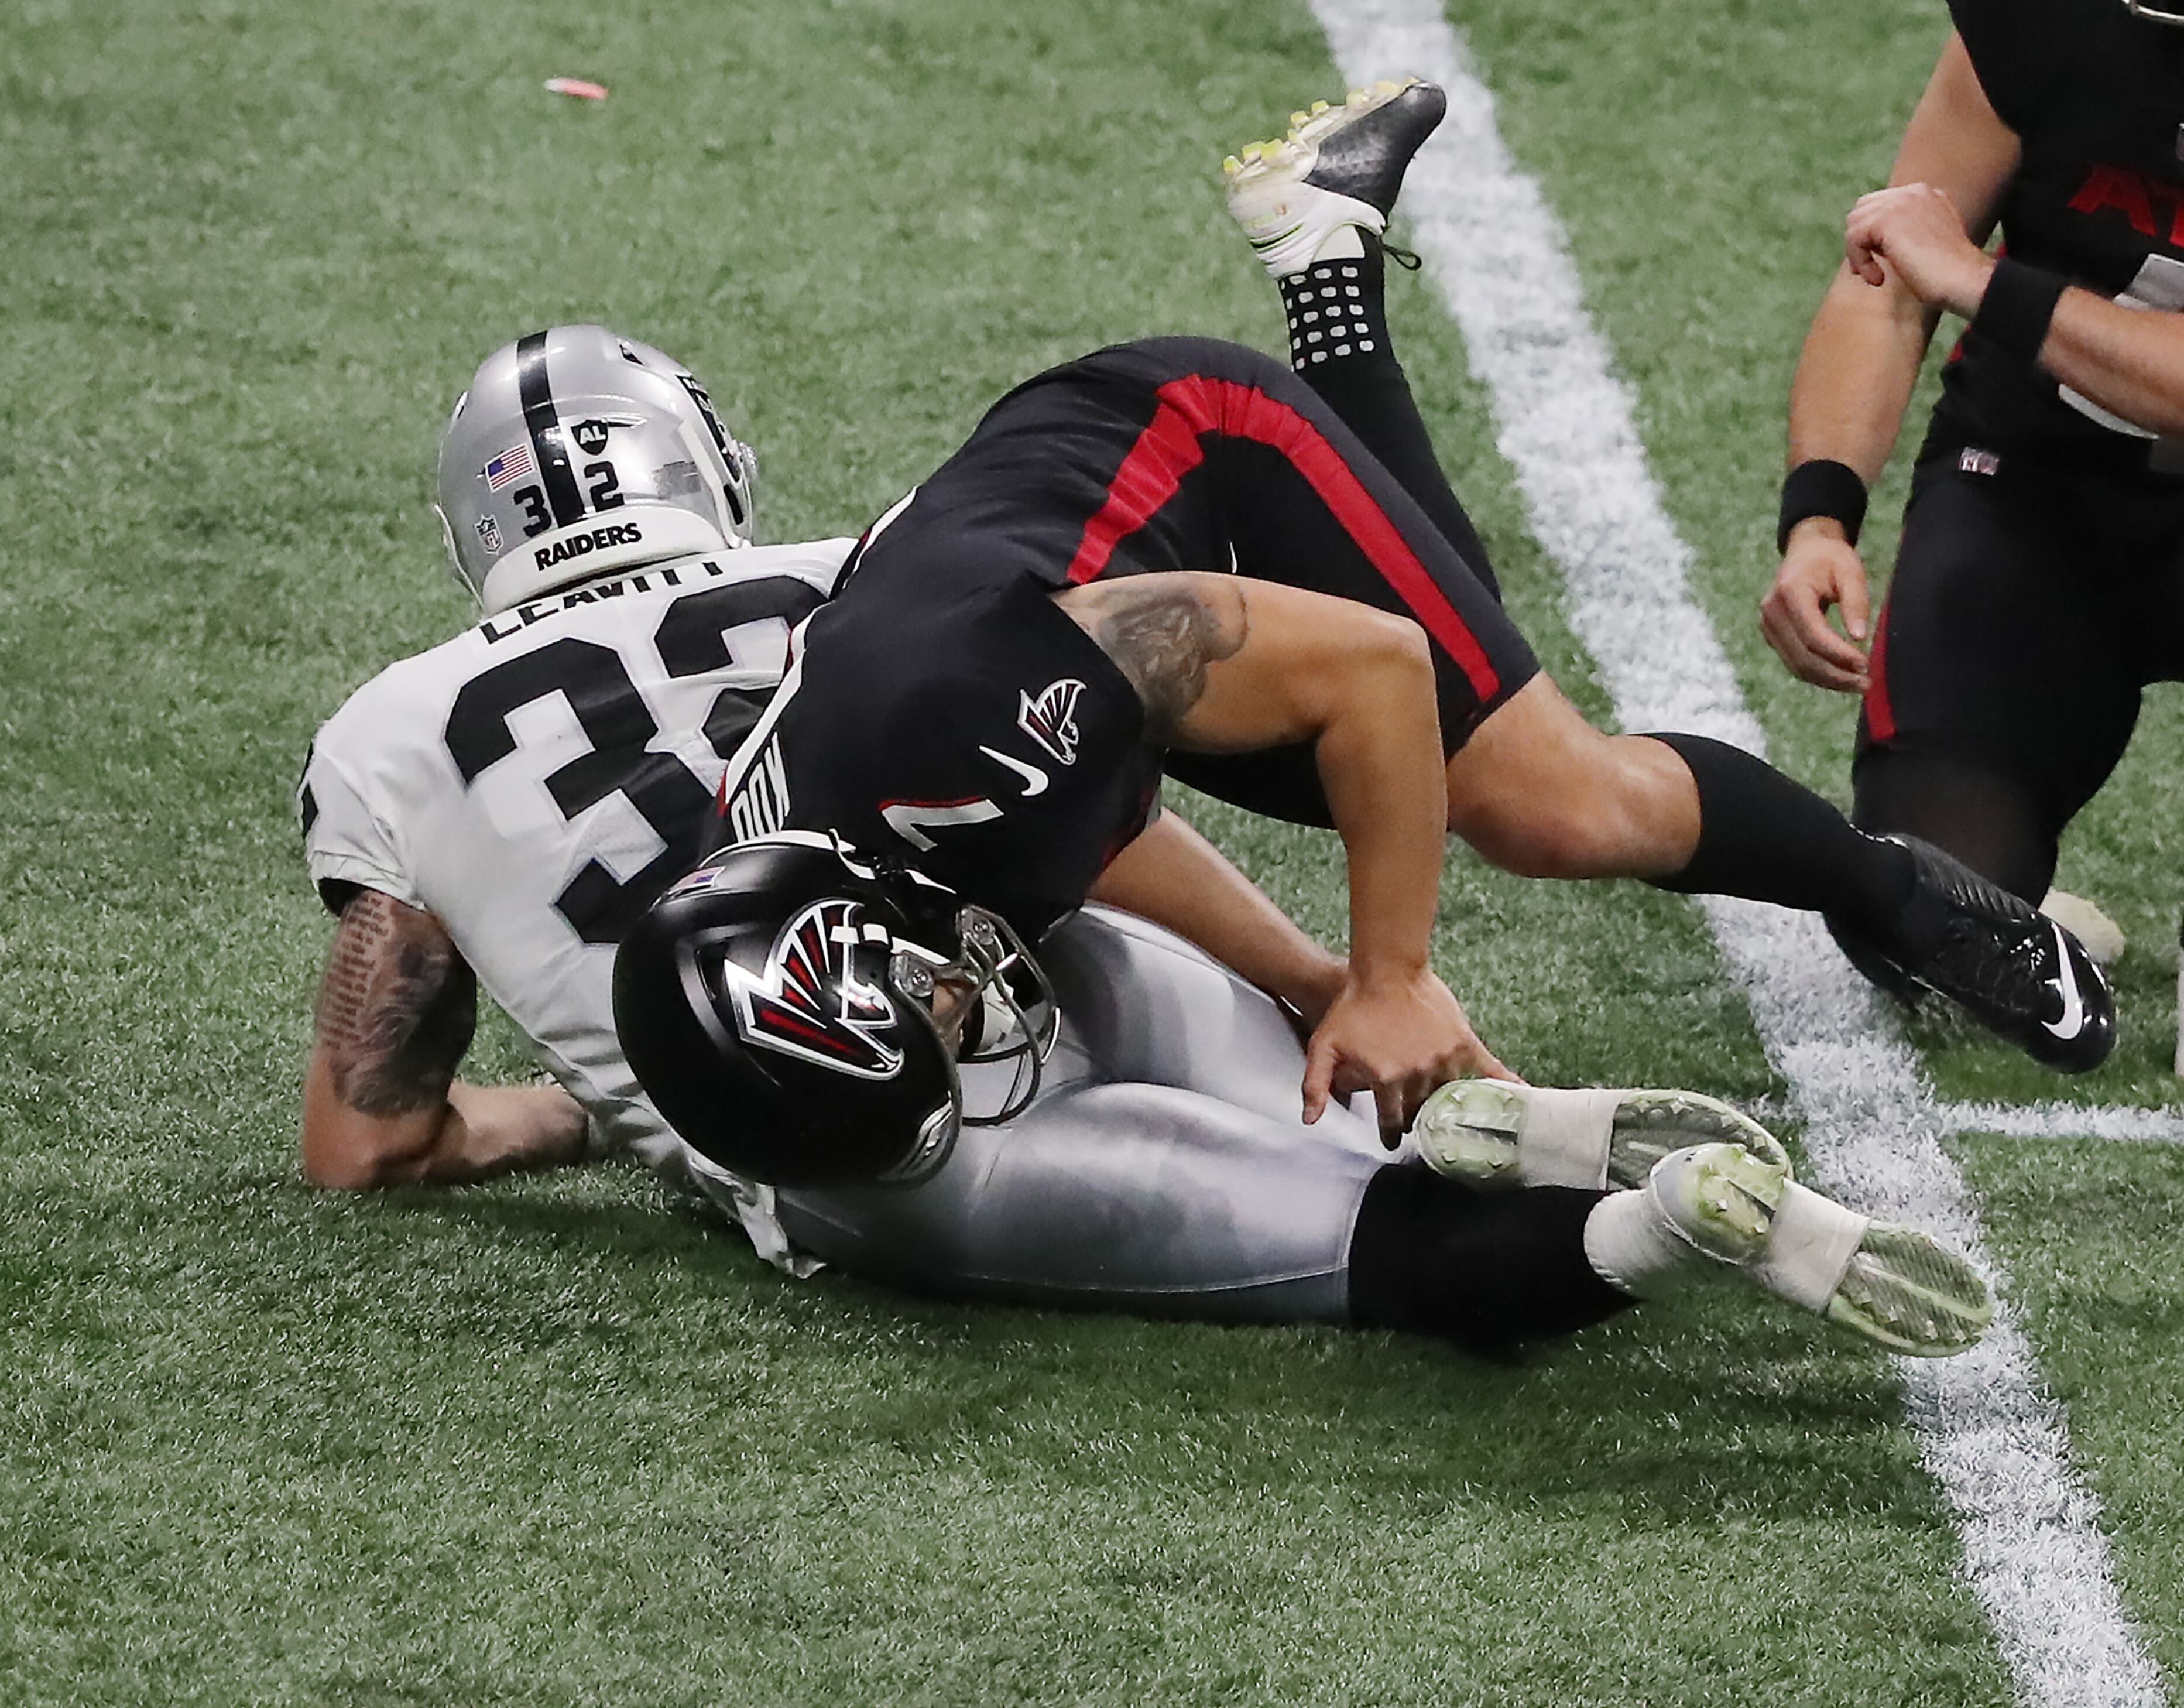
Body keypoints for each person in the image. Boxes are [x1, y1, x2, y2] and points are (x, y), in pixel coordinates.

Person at [299, 324, 1989, 1361]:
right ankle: (1545, 1131)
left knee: (1372, 1260)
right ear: (697, 459)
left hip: (856, 1142)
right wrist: (1334, 972)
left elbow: (371, 1140)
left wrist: (597, 1099)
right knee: (1368, 1133)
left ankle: (1654, 1225)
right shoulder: (854, 577)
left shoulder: (391, 730)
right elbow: (1075, 820)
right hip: (1030, 940)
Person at [664, 76, 2110, 1197]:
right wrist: (1311, 982)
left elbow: (1374, 670)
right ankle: (1326, 253)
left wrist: (1392, 976)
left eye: (934, 1013)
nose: (962, 1022)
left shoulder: (957, 731)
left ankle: (1908, 902)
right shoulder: (845, 829)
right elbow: (1079, 809)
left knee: (1552, 801)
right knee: (1473, 668)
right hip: (1045, 592)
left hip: (1189, 449)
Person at [1760, 0, 2184, 1088]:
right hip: (2042, 479)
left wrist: (1991, 285)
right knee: (1923, 910)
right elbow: (1890, 265)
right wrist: (1820, 516)